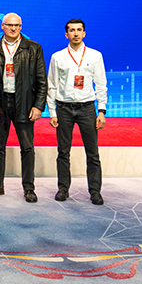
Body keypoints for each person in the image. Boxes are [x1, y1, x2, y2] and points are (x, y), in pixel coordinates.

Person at [0, 13, 47, 203]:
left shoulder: (33, 48)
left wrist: (38, 106)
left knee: (27, 147)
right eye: (10, 25)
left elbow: (42, 80)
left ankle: (29, 188)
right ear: (2, 26)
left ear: (21, 27)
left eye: (17, 25)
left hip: (24, 103)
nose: (13, 28)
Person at [47, 18, 108, 205]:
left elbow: (101, 84)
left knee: (93, 152)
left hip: (87, 108)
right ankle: (63, 189)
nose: (75, 33)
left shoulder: (95, 55)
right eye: (72, 30)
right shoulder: (58, 57)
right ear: (66, 34)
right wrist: (52, 112)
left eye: (79, 30)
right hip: (64, 108)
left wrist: (102, 110)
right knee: (63, 152)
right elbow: (52, 85)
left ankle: (95, 192)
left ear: (84, 33)